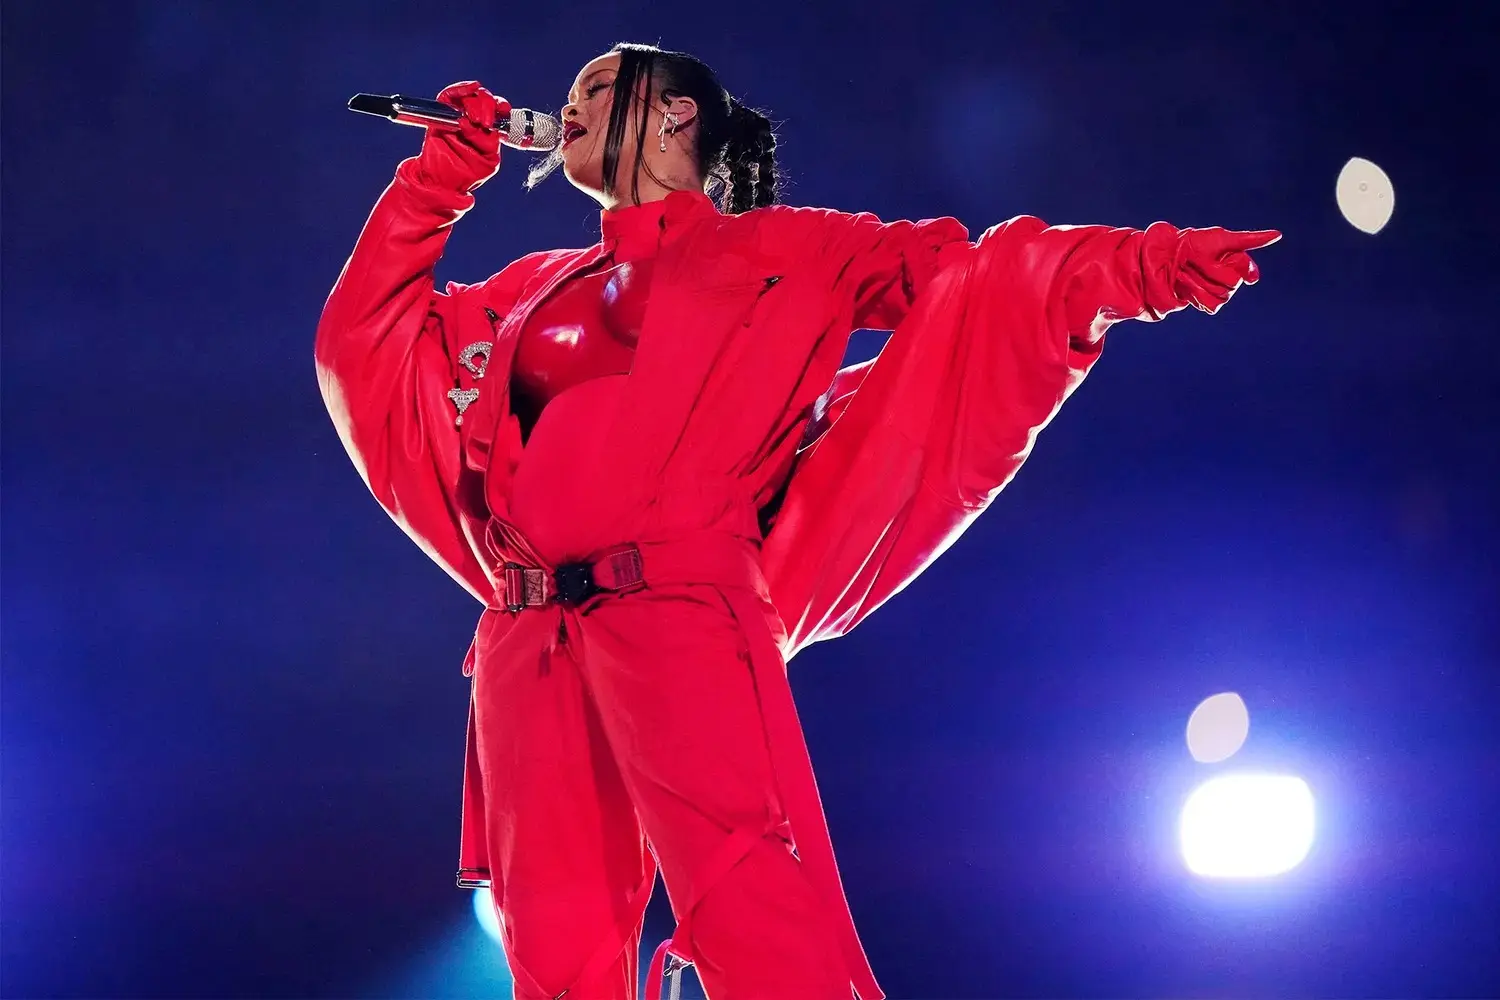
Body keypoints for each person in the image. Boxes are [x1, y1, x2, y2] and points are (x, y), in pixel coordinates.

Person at [315, 41, 1279, 1000]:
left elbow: (979, 276)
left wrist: (1141, 266)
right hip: (530, 637)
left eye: (599, 87)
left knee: (752, 909)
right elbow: (365, 343)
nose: (569, 107)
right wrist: (434, 185)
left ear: (675, 115)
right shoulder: (530, 288)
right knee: (555, 957)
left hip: (679, 610)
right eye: (569, 93)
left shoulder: (791, 251)